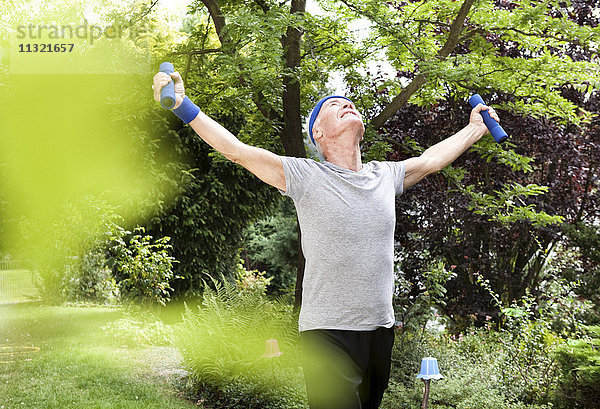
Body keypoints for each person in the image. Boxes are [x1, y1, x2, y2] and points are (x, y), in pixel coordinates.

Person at [153, 70, 500, 409]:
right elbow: (237, 151)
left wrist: (473, 128)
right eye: (334, 104)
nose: (346, 104)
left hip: (380, 328)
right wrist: (183, 106)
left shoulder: (385, 175)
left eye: (349, 103)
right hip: (328, 332)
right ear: (317, 132)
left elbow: (431, 160)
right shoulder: (306, 176)